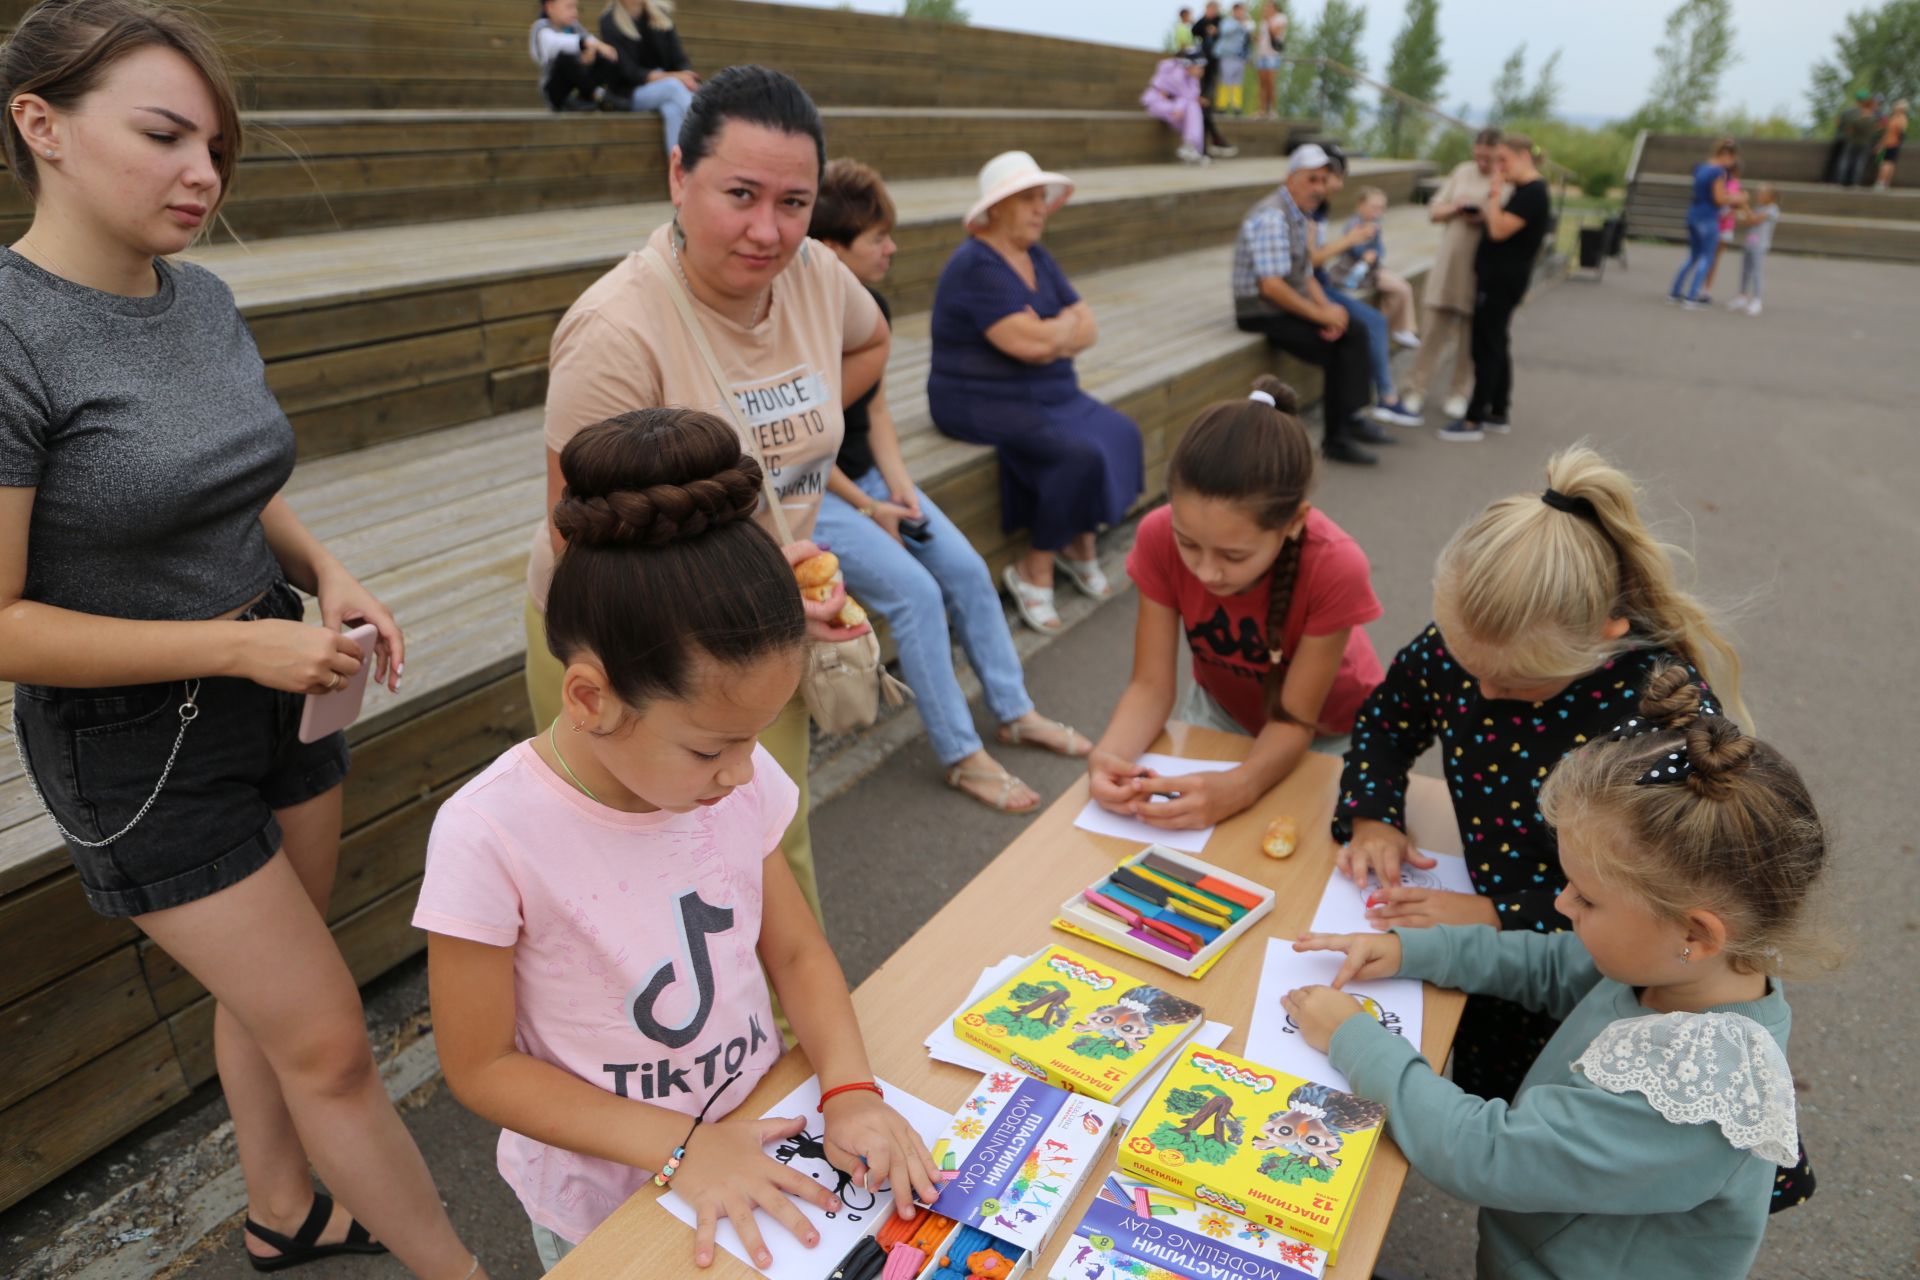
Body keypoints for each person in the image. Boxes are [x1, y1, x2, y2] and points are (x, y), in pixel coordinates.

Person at [0, 4, 487, 1276]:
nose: (202, 174)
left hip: (284, 675)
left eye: (215, 145)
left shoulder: (201, 296)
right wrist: (231, 649)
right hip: (134, 740)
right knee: (327, 1036)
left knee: (274, 998)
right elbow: (0, 626)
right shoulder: (7, 333)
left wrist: (328, 568)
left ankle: (282, 1213)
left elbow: (238, 484)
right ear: (39, 124)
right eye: (164, 135)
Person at [422, 410, 941, 1273]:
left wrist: (850, 1089)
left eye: (758, 735)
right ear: (589, 698)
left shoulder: (730, 784)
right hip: (607, 1194)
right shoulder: (490, 834)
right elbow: (481, 1068)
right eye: (711, 746)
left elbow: (799, 954)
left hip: (759, 1136)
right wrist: (681, 1147)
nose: (743, 774)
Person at [1286, 665, 1826, 1278]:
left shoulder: (1693, 1095)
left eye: (1587, 899)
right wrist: (1414, 952)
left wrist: (1356, 1040)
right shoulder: (1676, 968)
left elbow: (1489, 1154)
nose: (1562, 906)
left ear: (1696, 935)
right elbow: (1548, 965)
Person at [528, 66, 887, 927]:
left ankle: (792, 1048)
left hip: (762, 627)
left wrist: (792, 440)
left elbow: (870, 341)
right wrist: (752, 577)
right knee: (640, 882)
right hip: (627, 646)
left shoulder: (817, 280)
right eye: (741, 194)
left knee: (772, 853)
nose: (769, 230)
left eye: (795, 203)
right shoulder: (615, 331)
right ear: (678, 178)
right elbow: (581, 541)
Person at [1332, 445, 1749, 1106]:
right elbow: (1389, 719)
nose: (1483, 690)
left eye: (1518, 683)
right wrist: (1374, 813)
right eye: (1468, 667)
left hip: (1586, 967)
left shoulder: (1656, 712)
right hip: (1482, 931)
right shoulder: (1473, 642)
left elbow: (1658, 902)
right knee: (1466, 1069)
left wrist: (1499, 914)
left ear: (1608, 634)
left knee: (1535, 1111)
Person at [807, 160, 1092, 813]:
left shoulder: (868, 305)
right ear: (830, 250)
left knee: (965, 570)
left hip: (870, 479)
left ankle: (1014, 711)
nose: (892, 247)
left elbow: (874, 412)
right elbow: (801, 446)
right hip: (815, 491)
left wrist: (900, 490)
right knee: (915, 593)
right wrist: (868, 505)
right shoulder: (797, 322)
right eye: (877, 238)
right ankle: (963, 758)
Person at [1087, 377, 1384, 832]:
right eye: (1188, 545)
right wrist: (1108, 758)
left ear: (1293, 522)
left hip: (1331, 732)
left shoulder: (1336, 565)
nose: (1207, 573)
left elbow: (1294, 720)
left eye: (1234, 556)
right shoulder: (1156, 535)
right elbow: (1149, 687)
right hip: (1221, 709)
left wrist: (1240, 786)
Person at [926, 150, 1145, 634]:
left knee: (1122, 433)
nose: (1040, 207)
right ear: (996, 208)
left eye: (1041, 198)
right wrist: (1055, 332)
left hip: (1047, 390)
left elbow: (1087, 327)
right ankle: (1035, 567)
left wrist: (1053, 333)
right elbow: (1027, 344)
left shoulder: (1037, 256)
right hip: (979, 398)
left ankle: (1078, 544)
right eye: (1027, 198)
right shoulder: (976, 265)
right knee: (1077, 454)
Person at [1231, 144, 1380, 466]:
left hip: (1280, 303)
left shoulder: (1298, 213)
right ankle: (1340, 434)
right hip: (1259, 311)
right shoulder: (1273, 215)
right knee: (1342, 345)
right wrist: (1319, 314)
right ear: (1291, 178)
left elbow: (1304, 273)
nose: (1318, 188)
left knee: (1350, 330)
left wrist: (1329, 310)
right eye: (1312, 179)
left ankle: (1347, 423)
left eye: (1322, 180)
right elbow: (1270, 287)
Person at [1439, 134, 1550, 443]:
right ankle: (1498, 410)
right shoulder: (1528, 191)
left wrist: (1494, 194)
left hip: (1502, 281)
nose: (1498, 167)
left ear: (1524, 156)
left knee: (1485, 347)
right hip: (1498, 278)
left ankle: (1474, 419)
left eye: (1505, 160)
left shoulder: (1533, 193)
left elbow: (1499, 230)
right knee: (1497, 342)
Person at [1304, 149, 1415, 438]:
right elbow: (1306, 264)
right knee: (1364, 327)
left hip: (1320, 284)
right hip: (1310, 288)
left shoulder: (1320, 209)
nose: (1338, 185)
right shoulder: (1306, 211)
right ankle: (1371, 408)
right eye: (1333, 178)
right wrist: (1349, 241)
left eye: (1338, 178)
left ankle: (1361, 412)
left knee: (1369, 322)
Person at [1405, 127, 1499, 422]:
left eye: (1488, 157)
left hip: (1478, 269)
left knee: (1469, 341)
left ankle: (1458, 392)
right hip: (1448, 266)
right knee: (1432, 332)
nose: (1482, 161)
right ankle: (1416, 389)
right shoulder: (1462, 171)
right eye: (1478, 155)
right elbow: (1434, 210)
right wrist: (1456, 208)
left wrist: (1483, 214)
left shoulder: (1502, 178)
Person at [597, 0, 697, 161]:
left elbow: (679, 58)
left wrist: (686, 75)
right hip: (631, 92)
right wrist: (674, 77)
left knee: (672, 110)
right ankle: (704, 130)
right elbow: (630, 73)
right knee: (672, 87)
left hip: (667, 89)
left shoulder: (660, 14)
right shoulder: (609, 21)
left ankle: (680, 173)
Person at [1666, 138, 1744, 310]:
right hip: (1708, 216)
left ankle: (1675, 291)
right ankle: (1692, 296)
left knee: (1692, 257)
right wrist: (1735, 197)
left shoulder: (1701, 168)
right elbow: (1718, 199)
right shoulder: (1718, 172)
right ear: (1727, 156)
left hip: (1693, 213)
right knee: (1706, 257)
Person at [531, 0, 620, 113]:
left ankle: (585, 99)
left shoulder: (574, 26)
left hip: (578, 82)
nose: (575, 12)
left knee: (604, 57)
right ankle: (599, 95)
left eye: (576, 7)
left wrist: (591, 50)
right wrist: (586, 44)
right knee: (564, 57)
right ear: (550, 7)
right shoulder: (541, 27)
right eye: (569, 7)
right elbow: (556, 43)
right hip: (556, 90)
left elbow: (589, 39)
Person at [1142, 46, 1210, 164]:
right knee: (1193, 108)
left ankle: (1191, 149)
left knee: (1193, 109)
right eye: (1199, 67)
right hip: (1157, 103)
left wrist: (1182, 106)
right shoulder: (1177, 73)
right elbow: (1186, 97)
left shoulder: (1192, 77)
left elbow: (1189, 96)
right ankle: (1190, 147)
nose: (1201, 70)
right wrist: (1179, 107)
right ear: (1191, 65)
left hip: (1176, 106)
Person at [1727, 183, 1777, 317]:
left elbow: (1755, 219)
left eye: (1762, 194)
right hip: (1749, 243)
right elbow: (1745, 221)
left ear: (1771, 197)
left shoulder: (1772, 209)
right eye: (1759, 193)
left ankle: (1757, 300)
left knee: (1756, 272)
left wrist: (1743, 204)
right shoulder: (1758, 207)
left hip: (1760, 245)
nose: (1759, 196)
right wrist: (1739, 208)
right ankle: (1742, 297)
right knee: (1745, 271)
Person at [1698, 160, 1741, 304]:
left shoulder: (1733, 184)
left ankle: (1705, 289)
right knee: (1707, 258)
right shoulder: (1716, 181)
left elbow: (1734, 204)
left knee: (1712, 259)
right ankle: (1701, 287)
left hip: (1723, 226)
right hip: (1713, 223)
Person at [1214, 3, 1252, 116]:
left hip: (1240, 57)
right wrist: (1239, 24)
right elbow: (1225, 32)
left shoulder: (1246, 25)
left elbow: (1246, 41)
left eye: (1243, 11)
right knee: (1225, 81)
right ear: (1234, 11)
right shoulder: (1227, 22)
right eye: (1239, 11)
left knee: (1237, 82)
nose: (1241, 13)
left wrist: (1248, 55)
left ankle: (1237, 107)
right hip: (1227, 56)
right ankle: (1222, 107)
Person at [1835, 90, 1878, 186]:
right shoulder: (1872, 116)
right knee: (1860, 162)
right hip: (1865, 142)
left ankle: (1840, 181)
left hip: (1850, 140)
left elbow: (1840, 124)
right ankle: (1855, 182)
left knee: (1845, 160)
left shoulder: (1849, 111)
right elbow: (1875, 129)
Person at [1253, 2, 1288, 120]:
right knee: (1262, 84)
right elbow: (1262, 38)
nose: (1266, 10)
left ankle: (1272, 110)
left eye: (1268, 7)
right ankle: (1261, 110)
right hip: (1261, 54)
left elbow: (1275, 33)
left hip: (1272, 55)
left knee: (1271, 84)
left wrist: (1268, 20)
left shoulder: (1281, 18)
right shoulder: (1263, 21)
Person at [1190, 1, 1222, 104]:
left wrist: (1216, 32)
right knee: (1200, 78)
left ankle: (1210, 103)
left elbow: (1225, 35)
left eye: (1213, 9)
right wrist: (1205, 20)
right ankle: (1198, 99)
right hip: (1203, 55)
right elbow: (1194, 31)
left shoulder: (1220, 20)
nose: (1211, 11)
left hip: (1216, 56)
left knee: (1212, 79)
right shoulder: (1203, 21)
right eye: (1209, 9)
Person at [1876, 98, 1908, 189]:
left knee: (1886, 163)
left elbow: (1897, 131)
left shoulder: (1897, 118)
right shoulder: (1899, 118)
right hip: (1892, 143)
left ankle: (1881, 182)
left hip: (1891, 143)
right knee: (1890, 163)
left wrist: (1881, 143)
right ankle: (1886, 183)